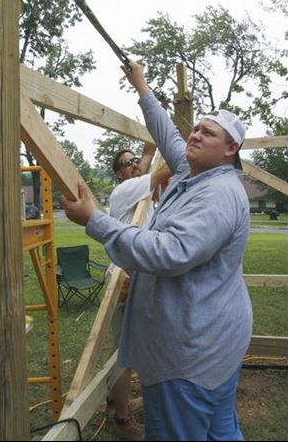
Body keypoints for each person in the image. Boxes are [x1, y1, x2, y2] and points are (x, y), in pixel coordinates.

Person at [61, 61, 253, 441]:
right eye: (196, 127)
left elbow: (170, 252)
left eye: (208, 133)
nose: (195, 134)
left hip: (188, 356)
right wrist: (142, 87)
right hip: (213, 344)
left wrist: (94, 221)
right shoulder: (194, 172)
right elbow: (168, 134)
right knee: (218, 430)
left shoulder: (216, 194)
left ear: (231, 149)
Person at [105, 149, 171, 441]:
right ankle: (121, 419)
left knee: (136, 348)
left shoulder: (144, 193)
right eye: (125, 164)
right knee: (123, 353)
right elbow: (159, 171)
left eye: (135, 162)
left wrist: (146, 151)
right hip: (124, 279)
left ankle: (114, 403)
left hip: (141, 279)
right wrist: (169, 142)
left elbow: (144, 167)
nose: (133, 166)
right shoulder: (124, 191)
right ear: (119, 174)